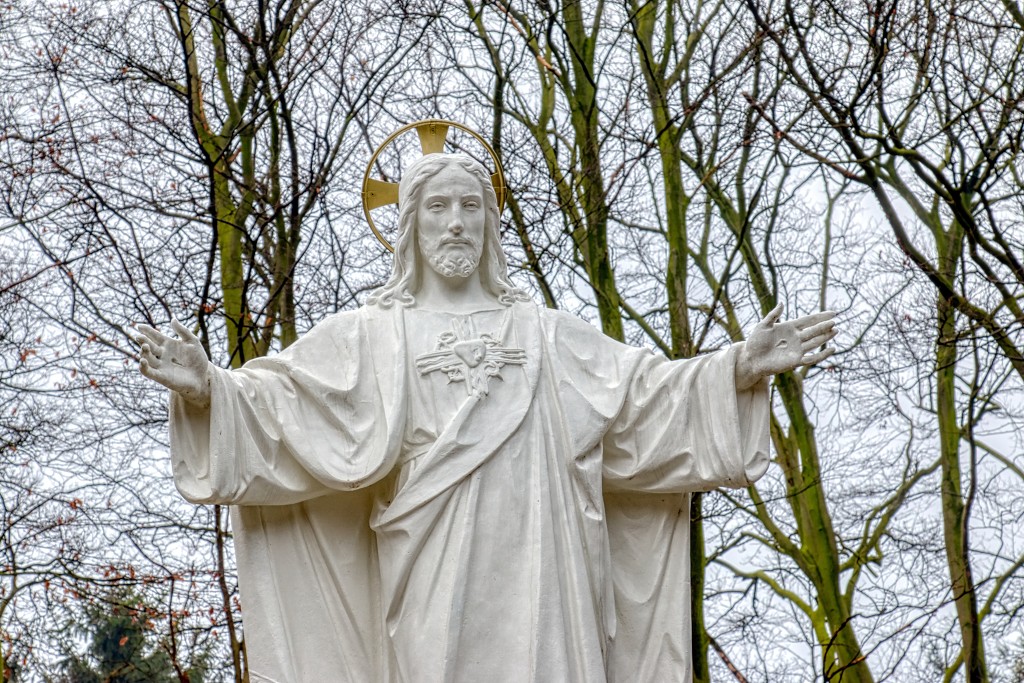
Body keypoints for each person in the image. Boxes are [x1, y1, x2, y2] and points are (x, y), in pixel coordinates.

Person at [136, 153, 836, 682]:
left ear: (490, 223)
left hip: (544, 568)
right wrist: (210, 390)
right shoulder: (369, 334)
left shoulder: (546, 333)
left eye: (471, 207)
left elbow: (643, 401)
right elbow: (284, 409)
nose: (457, 223)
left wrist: (735, 369)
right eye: (438, 207)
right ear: (411, 224)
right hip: (429, 565)